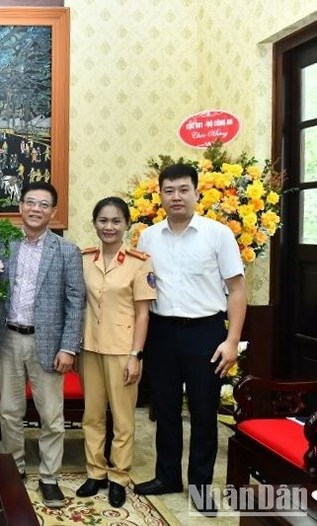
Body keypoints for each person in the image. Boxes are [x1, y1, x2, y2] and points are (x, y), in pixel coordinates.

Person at [134, 164, 246, 513]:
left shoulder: (218, 234)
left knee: (203, 412)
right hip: (162, 333)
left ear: (197, 193)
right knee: (164, 410)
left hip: (206, 333)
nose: (176, 196)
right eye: (169, 190)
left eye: (183, 189)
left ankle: (200, 486)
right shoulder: (148, 237)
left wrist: (232, 341)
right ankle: (167, 476)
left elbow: (237, 291)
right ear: (160, 195)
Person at [0, 181, 85, 509]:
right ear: (20, 206)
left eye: (43, 204)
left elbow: (76, 301)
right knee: (9, 411)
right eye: (30, 202)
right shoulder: (3, 244)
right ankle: (16, 469)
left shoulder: (66, 250)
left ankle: (49, 478)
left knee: (51, 415)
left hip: (48, 343)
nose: (36, 209)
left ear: (53, 211)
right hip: (7, 338)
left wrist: (69, 347)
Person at [77, 197, 157, 508]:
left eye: (116, 221)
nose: (109, 227)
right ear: (94, 223)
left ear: (126, 225)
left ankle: (118, 477)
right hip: (90, 348)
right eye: (103, 221)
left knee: (123, 419)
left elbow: (143, 314)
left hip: (123, 350)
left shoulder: (139, 262)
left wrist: (135, 354)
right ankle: (95, 472)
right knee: (92, 416)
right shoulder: (84, 258)